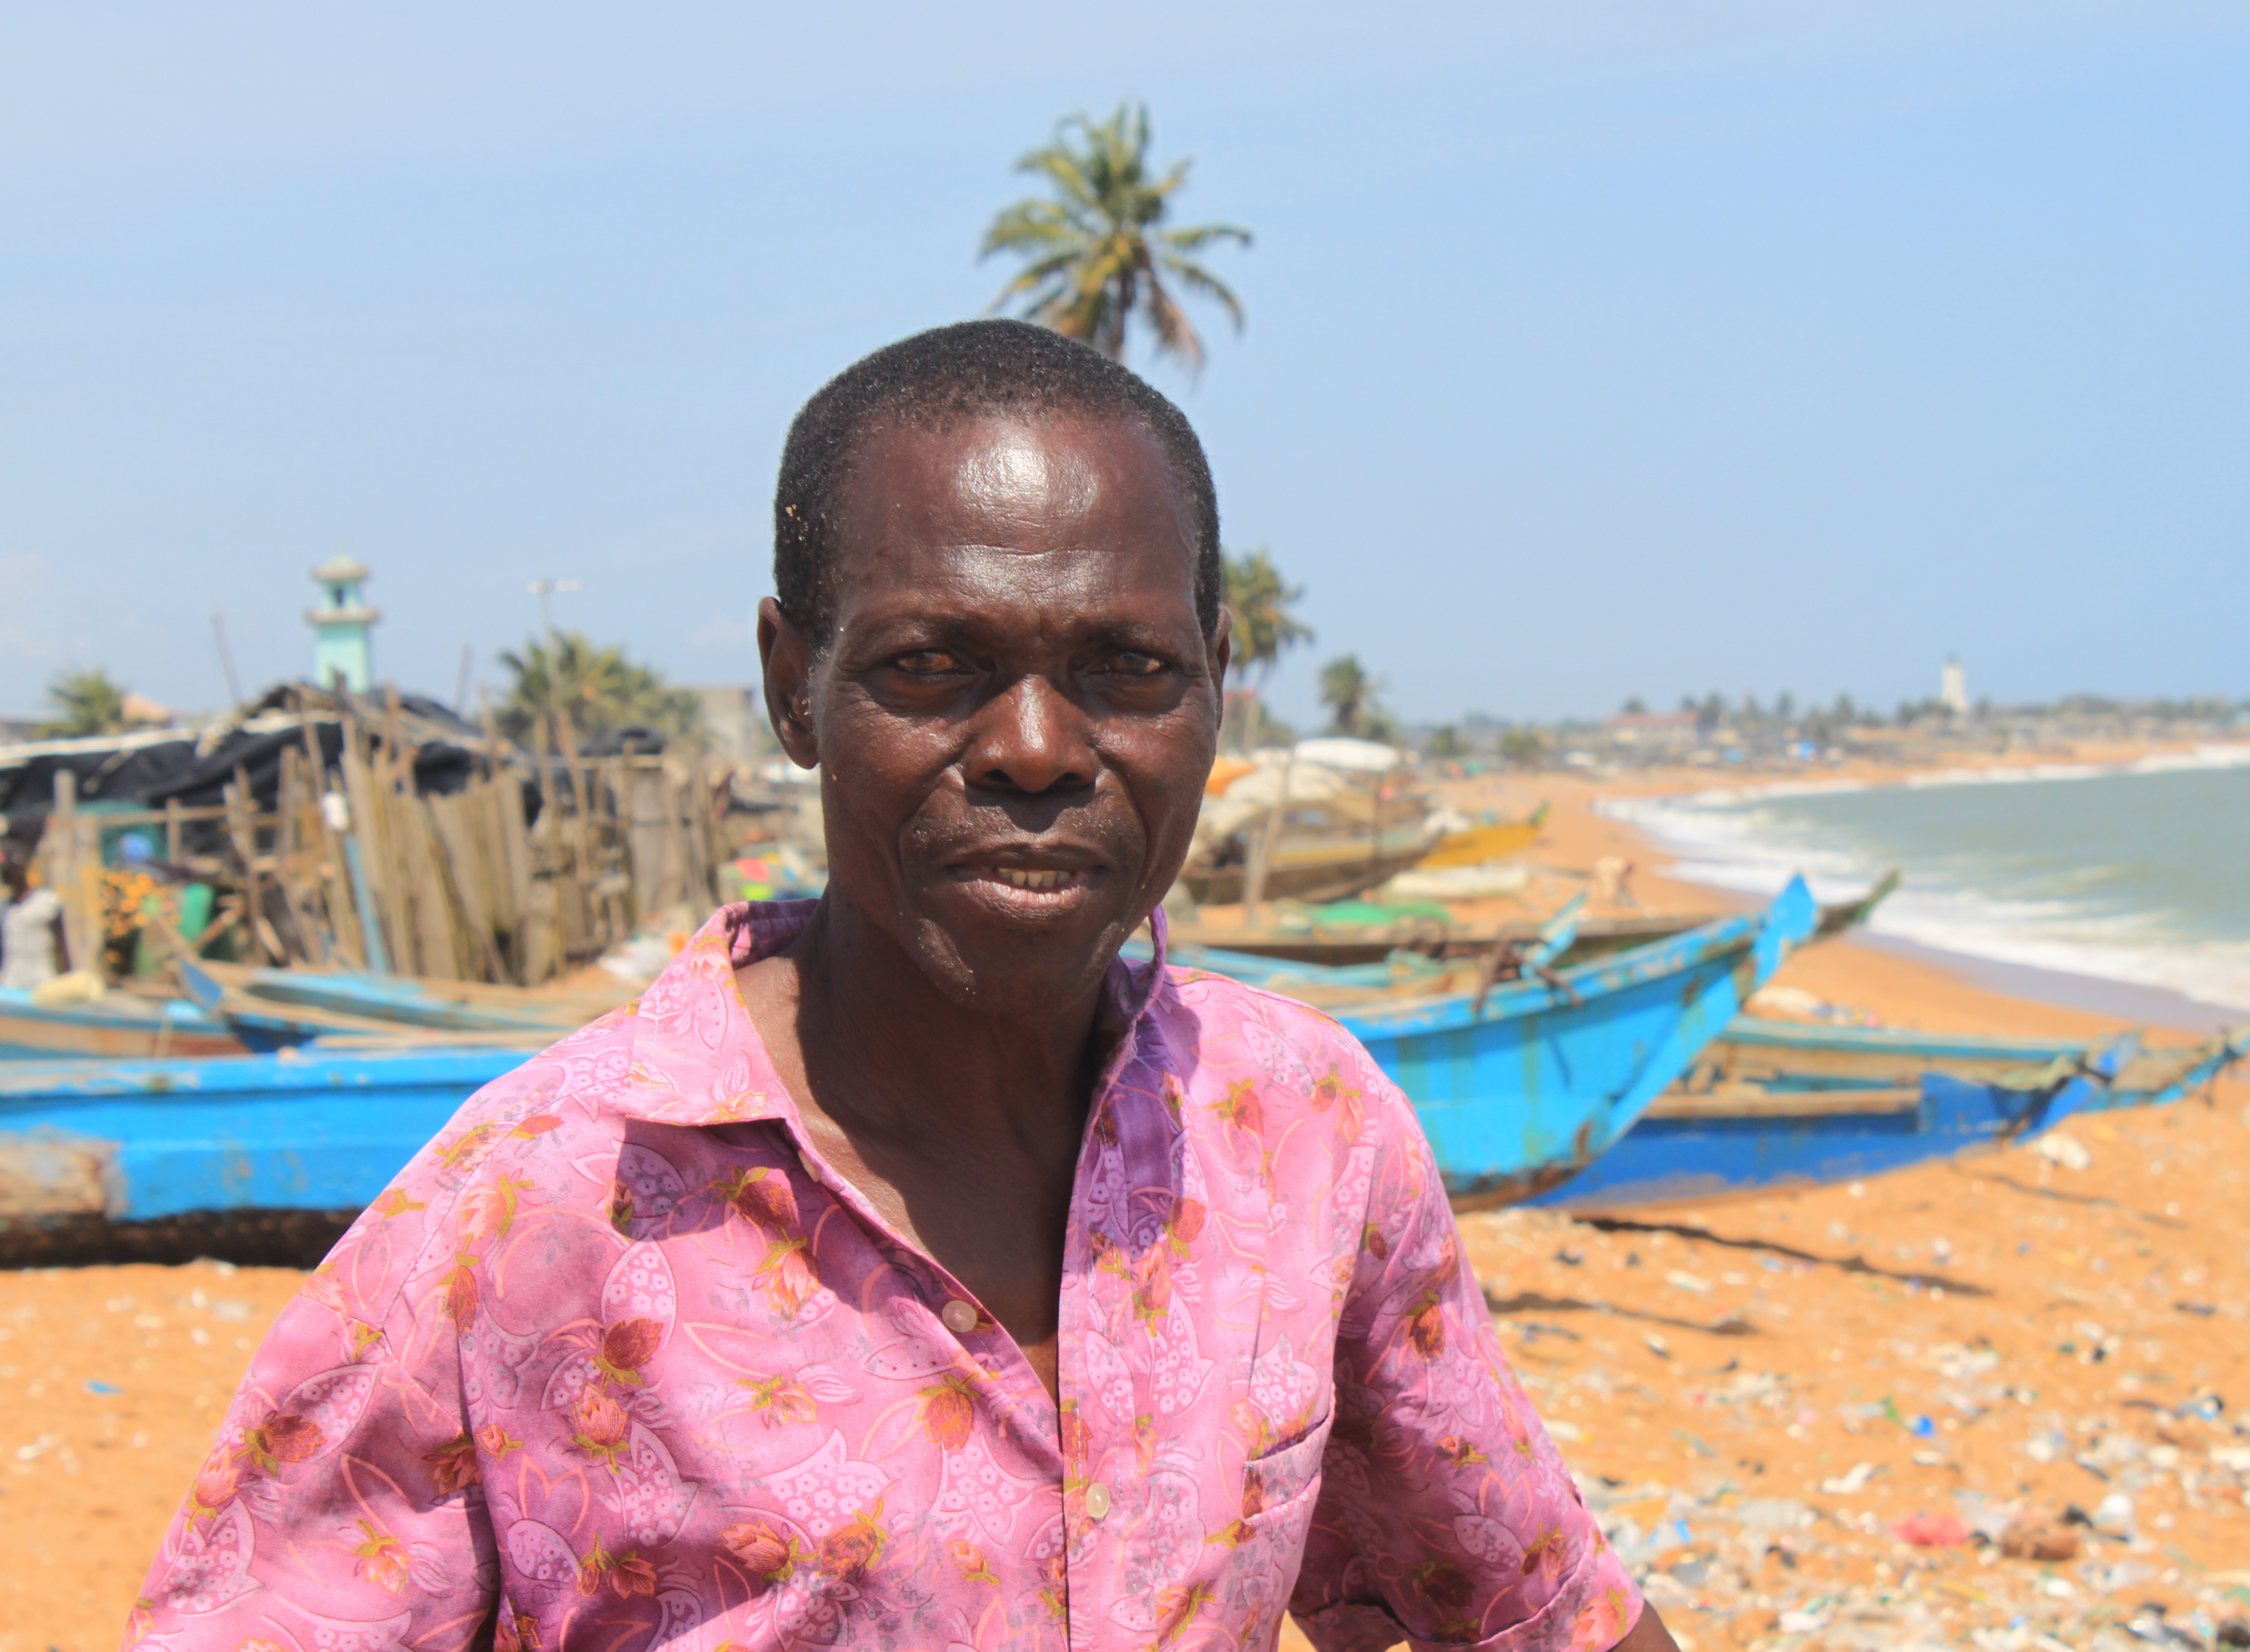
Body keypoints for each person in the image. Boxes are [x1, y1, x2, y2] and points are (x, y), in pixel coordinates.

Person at [126, 321, 1676, 1652]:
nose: (1035, 750)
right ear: (792, 685)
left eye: (1128, 671)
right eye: (932, 666)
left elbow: (1532, 1608)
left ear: (1212, 680)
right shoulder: (543, 1207)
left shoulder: (1300, 1131)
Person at [1, 847, 65, 990]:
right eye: (4, 872)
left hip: (41, 983)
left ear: (23, 870)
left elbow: (62, 944)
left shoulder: (46, 901)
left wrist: (66, 980)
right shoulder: (5, 908)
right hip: (11, 984)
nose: (7, 876)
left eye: (11, 871)